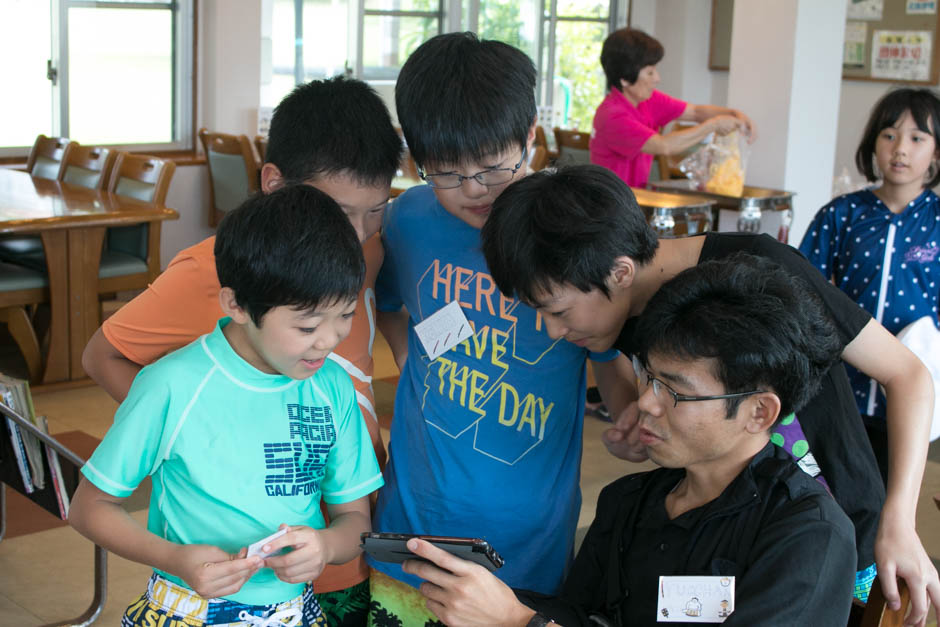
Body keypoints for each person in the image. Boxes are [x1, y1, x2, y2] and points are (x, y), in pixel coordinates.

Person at [480, 165, 940, 625]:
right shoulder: (612, 318)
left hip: (831, 528)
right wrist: (639, 431)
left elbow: (908, 375)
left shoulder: (757, 275)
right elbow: (656, 425)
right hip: (715, 537)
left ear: (619, 272)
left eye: (557, 311)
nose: (552, 331)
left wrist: (899, 520)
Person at [80, 76, 402, 624]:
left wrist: (330, 544)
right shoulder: (215, 277)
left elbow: (353, 519)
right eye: (340, 209)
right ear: (274, 183)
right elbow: (103, 359)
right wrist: (190, 429)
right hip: (201, 594)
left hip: (318, 575)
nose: (355, 231)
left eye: (374, 211)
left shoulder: (358, 260)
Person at [402, 254, 858, 626]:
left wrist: (519, 622)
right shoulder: (630, 501)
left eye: (675, 391)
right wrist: (489, 602)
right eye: (649, 379)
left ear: (760, 412)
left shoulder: (808, 535)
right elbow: (579, 614)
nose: (646, 404)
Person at [369, 32, 634, 624]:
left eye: (493, 165)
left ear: (531, 135)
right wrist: (411, 357)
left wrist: (628, 413)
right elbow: (390, 305)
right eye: (446, 172)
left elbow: (607, 347)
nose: (473, 189)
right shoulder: (408, 221)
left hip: (527, 548)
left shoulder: (567, 231)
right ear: (415, 160)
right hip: (412, 525)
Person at [799, 87, 940, 484]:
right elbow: (799, 282)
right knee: (837, 488)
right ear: (873, 142)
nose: (901, 149)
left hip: (914, 387)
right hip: (844, 385)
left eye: (917, 138)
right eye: (889, 135)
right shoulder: (841, 214)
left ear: (937, 152)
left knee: (893, 495)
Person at [589, 27, 756, 188]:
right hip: (608, 209)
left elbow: (696, 112)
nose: (657, 78)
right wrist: (714, 125)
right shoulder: (611, 116)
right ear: (624, 79)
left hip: (632, 200)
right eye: (650, 73)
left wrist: (735, 114)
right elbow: (664, 146)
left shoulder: (647, 100)